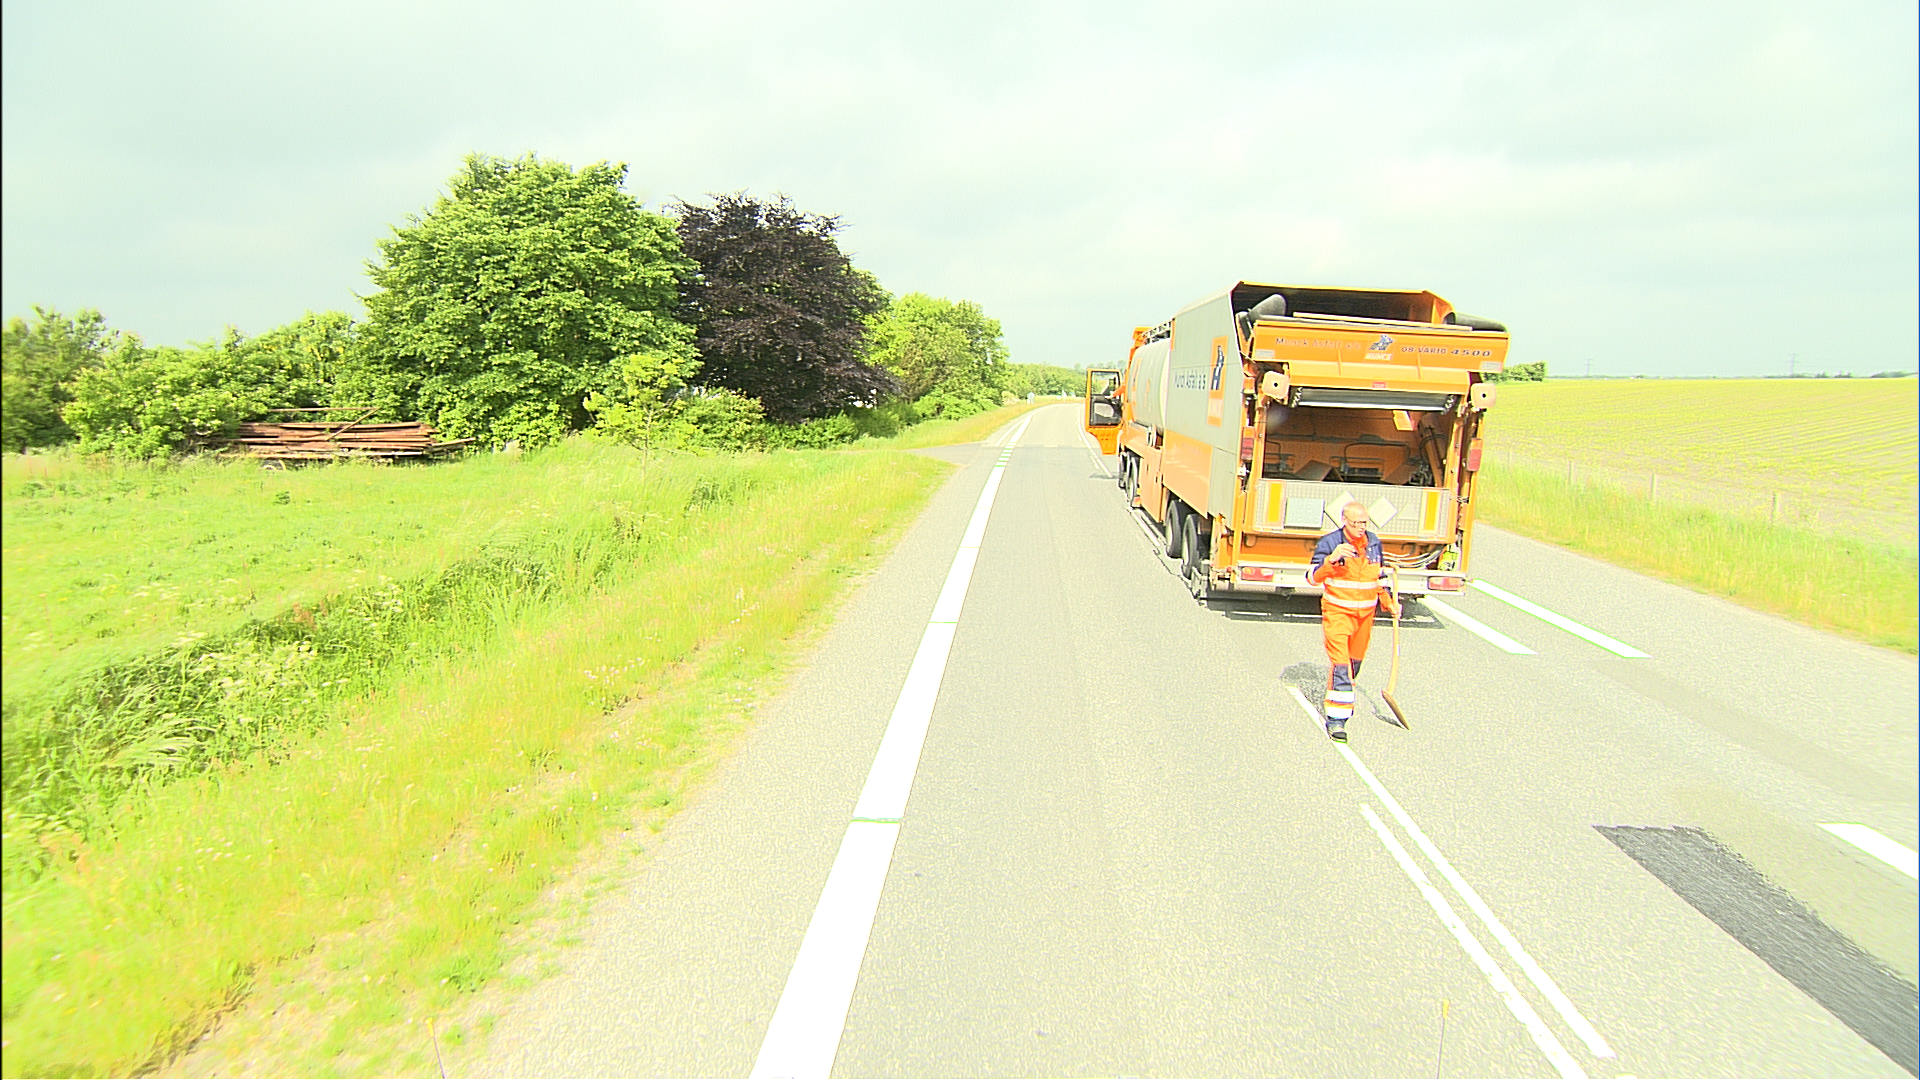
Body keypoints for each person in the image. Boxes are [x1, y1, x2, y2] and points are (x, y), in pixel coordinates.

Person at [1308, 501, 1399, 742]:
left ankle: (1342, 696)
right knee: (1341, 665)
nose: (1361, 527)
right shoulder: (1330, 543)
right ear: (1344, 521)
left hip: (1365, 618)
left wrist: (1389, 603)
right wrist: (1331, 560)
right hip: (1338, 614)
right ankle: (1337, 720)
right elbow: (1312, 577)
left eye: (1364, 523)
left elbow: (1378, 579)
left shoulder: (1373, 543)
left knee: (1354, 665)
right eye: (1356, 523)